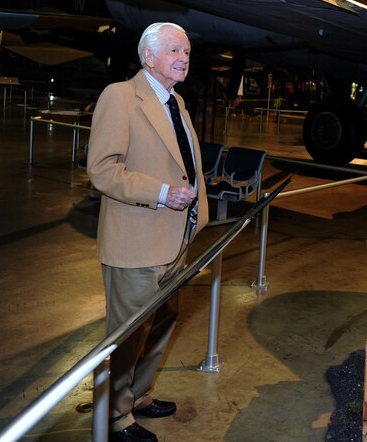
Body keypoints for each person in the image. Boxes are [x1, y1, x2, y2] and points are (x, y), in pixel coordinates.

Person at [87, 22, 208, 442]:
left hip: (175, 241)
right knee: (127, 334)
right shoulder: (119, 97)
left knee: (162, 322)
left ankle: (138, 396)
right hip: (135, 242)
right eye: (175, 50)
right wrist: (160, 194)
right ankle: (115, 419)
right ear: (148, 57)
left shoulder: (176, 102)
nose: (184, 58)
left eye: (187, 52)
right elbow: (102, 170)